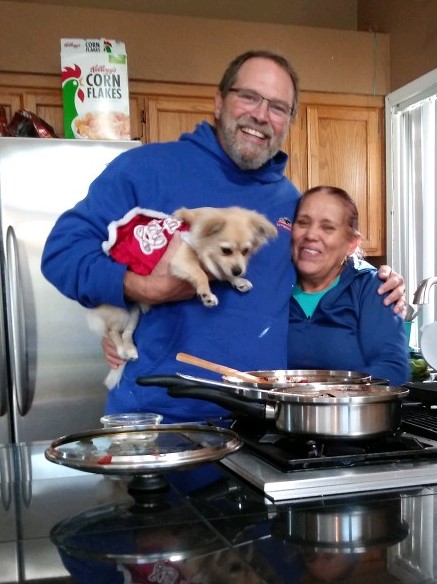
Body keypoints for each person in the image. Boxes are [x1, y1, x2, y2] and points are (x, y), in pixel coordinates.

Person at [41, 50, 406, 423]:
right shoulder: (144, 169)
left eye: (278, 107)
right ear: (218, 102)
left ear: (288, 122)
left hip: (262, 425)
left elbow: (320, 266)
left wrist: (382, 281)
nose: (261, 115)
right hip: (157, 420)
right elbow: (62, 253)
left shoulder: (289, 203)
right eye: (249, 96)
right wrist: (141, 288)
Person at [288, 186, 410, 385]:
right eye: (303, 222)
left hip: (350, 414)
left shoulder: (373, 288)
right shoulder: (275, 285)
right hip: (278, 415)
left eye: (327, 227)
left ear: (351, 243)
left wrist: (320, 397)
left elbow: (392, 368)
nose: (310, 234)